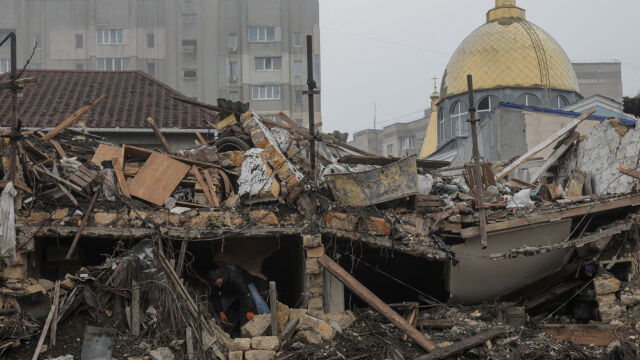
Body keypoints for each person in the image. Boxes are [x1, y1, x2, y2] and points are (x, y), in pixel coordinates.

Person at [208, 265, 259, 333]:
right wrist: (221, 311)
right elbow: (215, 297)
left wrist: (249, 310)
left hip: (246, 284)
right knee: (222, 305)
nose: (219, 286)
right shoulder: (215, 283)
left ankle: (270, 321)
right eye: (217, 285)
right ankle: (220, 331)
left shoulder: (234, 275)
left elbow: (245, 293)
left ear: (221, 277)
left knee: (258, 301)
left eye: (220, 283)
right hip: (230, 290)